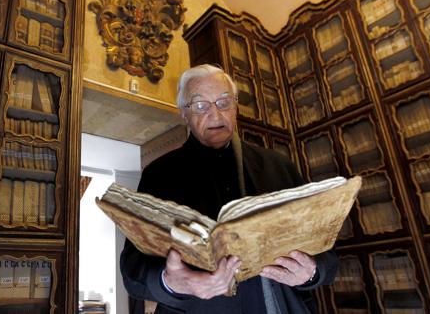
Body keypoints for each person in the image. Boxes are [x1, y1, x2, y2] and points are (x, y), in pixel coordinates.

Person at [120, 64, 339, 314]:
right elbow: (132, 269)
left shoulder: (279, 166)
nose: (215, 115)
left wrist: (311, 273)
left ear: (235, 107)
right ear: (184, 113)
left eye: (224, 102)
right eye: (201, 105)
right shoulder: (159, 175)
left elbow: (327, 252)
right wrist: (171, 282)